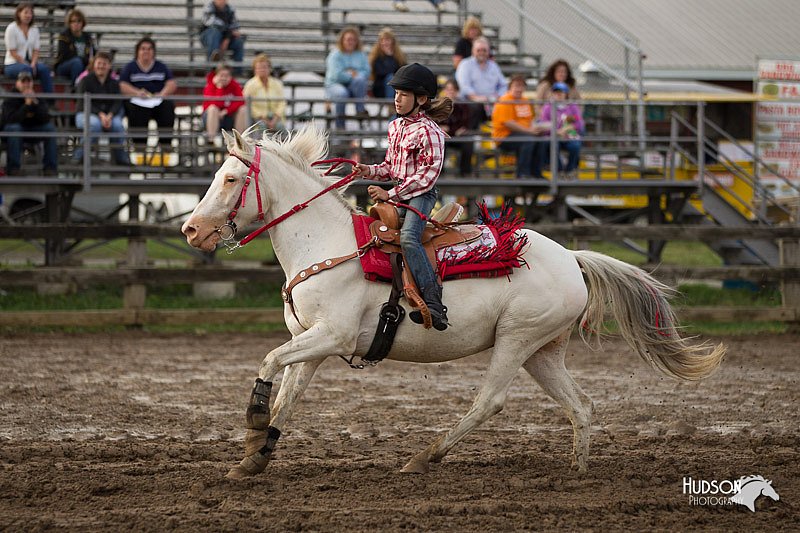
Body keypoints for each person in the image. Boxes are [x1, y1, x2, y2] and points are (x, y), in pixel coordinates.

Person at [354, 63, 453, 331]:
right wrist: (369, 171)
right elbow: (390, 167)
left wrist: (390, 193)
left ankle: (434, 303)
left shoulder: (431, 132)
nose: (397, 99)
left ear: (421, 99)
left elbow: (426, 177)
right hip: (400, 191)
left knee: (409, 238)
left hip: (420, 195)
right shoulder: (395, 127)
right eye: (396, 93)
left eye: (404, 94)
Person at [119, 37, 177, 155]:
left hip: (156, 100)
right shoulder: (130, 67)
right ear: (137, 51)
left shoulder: (161, 66)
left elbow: (171, 83)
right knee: (136, 110)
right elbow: (122, 85)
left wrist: (162, 94)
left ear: (153, 52)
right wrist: (136, 93)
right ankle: (139, 145)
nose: (146, 51)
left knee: (168, 107)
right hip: (137, 100)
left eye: (149, 49)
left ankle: (165, 143)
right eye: (143, 49)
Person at [74, 51, 129, 165]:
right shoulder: (85, 81)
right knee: (94, 125)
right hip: (85, 114)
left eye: (104, 64)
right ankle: (79, 158)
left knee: (118, 126)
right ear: (94, 64)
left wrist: (109, 115)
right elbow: (83, 103)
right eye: (99, 63)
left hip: (108, 116)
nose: (101, 66)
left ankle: (121, 160)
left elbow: (117, 102)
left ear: (109, 66)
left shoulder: (114, 83)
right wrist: (101, 115)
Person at [1, 71, 58, 175]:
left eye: (29, 82)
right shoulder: (10, 98)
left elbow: (45, 118)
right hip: (14, 131)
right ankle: (13, 169)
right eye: (23, 82)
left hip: (33, 130)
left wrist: (35, 103)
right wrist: (26, 105)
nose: (26, 84)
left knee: (50, 129)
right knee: (14, 129)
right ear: (17, 83)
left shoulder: (37, 98)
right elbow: (10, 120)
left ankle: (50, 168)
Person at [491, 74, 547, 179]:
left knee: (541, 140)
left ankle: (536, 173)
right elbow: (509, 123)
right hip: (504, 136)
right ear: (510, 87)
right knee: (528, 140)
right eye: (516, 86)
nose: (519, 89)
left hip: (524, 132)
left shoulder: (525, 100)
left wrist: (537, 128)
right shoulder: (504, 100)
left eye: (521, 86)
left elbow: (530, 120)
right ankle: (522, 174)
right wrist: (529, 131)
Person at [455, 37, 507, 129]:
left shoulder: (493, 66)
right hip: (470, 101)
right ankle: (473, 136)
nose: (481, 52)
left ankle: (500, 137)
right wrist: (477, 98)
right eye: (478, 50)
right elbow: (464, 86)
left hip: (491, 101)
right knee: (477, 107)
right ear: (473, 51)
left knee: (507, 105)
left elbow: (503, 85)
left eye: (484, 50)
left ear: (488, 51)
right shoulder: (465, 64)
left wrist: (499, 96)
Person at [324, 26, 370, 129]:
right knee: (342, 93)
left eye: (353, 40)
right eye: (348, 39)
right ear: (342, 40)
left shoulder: (361, 54)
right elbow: (337, 75)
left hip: (354, 86)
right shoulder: (335, 55)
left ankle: (360, 111)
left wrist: (354, 75)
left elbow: (366, 71)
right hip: (334, 85)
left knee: (360, 80)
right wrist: (351, 75)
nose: (351, 42)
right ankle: (340, 126)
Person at [3, 2, 54, 93]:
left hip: (30, 63)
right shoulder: (11, 28)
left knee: (44, 69)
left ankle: (50, 101)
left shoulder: (34, 29)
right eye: (26, 12)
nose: (28, 15)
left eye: (30, 13)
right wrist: (27, 64)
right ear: (19, 13)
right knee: (26, 70)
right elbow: (12, 52)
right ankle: (27, 99)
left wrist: (33, 63)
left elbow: (36, 50)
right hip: (12, 64)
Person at [538, 81, 584, 178]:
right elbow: (543, 125)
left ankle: (570, 170)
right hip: (554, 136)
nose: (558, 94)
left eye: (561, 92)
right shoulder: (547, 107)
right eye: (556, 92)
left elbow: (579, 124)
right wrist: (557, 132)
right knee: (553, 145)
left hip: (569, 135)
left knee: (575, 145)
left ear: (566, 93)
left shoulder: (572, 106)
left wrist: (567, 128)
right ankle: (559, 170)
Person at [242, 53, 286, 135]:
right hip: (257, 118)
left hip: (275, 118)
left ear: (270, 68)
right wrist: (263, 118)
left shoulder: (277, 83)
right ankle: (260, 147)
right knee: (261, 126)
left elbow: (282, 103)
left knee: (281, 127)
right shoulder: (250, 85)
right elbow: (249, 105)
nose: (262, 70)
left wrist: (275, 118)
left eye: (264, 67)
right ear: (255, 69)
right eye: (259, 68)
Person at [202, 63, 246, 143]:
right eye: (221, 75)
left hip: (228, 116)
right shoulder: (210, 86)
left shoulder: (234, 85)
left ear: (230, 77)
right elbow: (214, 104)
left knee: (243, 109)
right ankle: (211, 141)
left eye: (226, 76)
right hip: (212, 118)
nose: (224, 78)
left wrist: (226, 111)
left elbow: (241, 101)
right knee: (213, 109)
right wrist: (219, 88)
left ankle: (239, 142)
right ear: (216, 76)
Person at [439, 78, 474, 176]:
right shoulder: (438, 105)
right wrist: (452, 130)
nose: (450, 92)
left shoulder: (463, 105)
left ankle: (465, 172)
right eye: (448, 89)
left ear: (457, 91)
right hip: (443, 136)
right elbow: (436, 123)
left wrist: (449, 129)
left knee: (468, 142)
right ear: (444, 90)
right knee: (440, 140)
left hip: (458, 136)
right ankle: (439, 172)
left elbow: (464, 124)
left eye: (453, 89)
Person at [53, 8, 96, 84]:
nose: (76, 23)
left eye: (79, 21)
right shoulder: (64, 36)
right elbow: (66, 55)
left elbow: (94, 53)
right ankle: (76, 89)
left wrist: (92, 63)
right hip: (64, 66)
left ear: (83, 23)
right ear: (69, 23)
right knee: (77, 62)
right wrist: (86, 61)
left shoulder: (88, 37)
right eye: (73, 21)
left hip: (83, 65)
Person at [368, 27, 407, 101]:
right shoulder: (376, 57)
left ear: (393, 42)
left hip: (397, 86)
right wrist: (389, 56)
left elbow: (403, 71)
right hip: (380, 87)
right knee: (390, 78)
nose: (384, 42)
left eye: (387, 40)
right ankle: (390, 104)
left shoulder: (399, 56)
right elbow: (382, 72)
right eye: (382, 40)